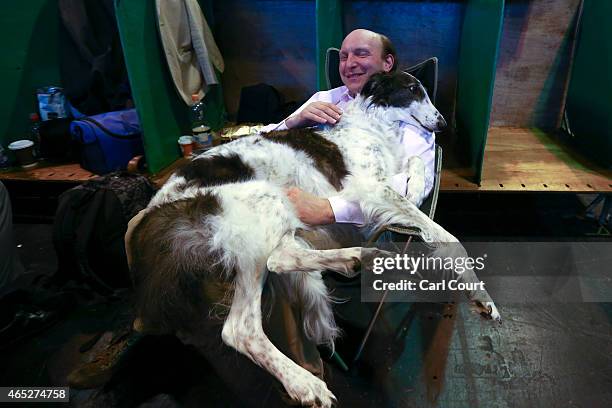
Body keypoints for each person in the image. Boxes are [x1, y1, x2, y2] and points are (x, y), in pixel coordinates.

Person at [260, 28, 436, 227]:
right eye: (343, 57)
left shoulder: (410, 113)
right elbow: (260, 142)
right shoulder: (325, 98)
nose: (349, 64)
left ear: (387, 63)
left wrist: (329, 209)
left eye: (361, 54)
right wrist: (294, 121)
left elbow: (411, 188)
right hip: (281, 202)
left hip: (354, 227)